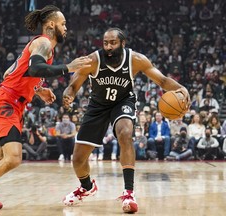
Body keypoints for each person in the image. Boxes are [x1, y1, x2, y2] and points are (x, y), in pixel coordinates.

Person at [0, 5, 92, 216]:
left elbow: (10, 72)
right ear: (51, 24)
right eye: (63, 24)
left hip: (14, 103)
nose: (66, 28)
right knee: (13, 157)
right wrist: (69, 67)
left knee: (2, 156)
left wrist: (37, 90)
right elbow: (34, 69)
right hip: (6, 103)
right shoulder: (44, 42)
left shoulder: (39, 45)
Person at [62, 28, 190, 213]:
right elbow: (73, 85)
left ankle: (129, 192)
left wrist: (181, 89)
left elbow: (161, 80)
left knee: (126, 133)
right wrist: (69, 94)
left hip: (123, 102)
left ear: (123, 43)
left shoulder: (136, 59)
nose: (108, 47)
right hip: (97, 106)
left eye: (113, 43)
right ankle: (87, 187)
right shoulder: (93, 60)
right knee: (78, 160)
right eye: (105, 43)